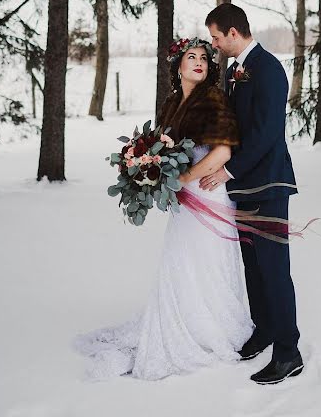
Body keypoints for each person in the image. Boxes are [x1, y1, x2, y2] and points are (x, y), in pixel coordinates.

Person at [74, 37, 253, 381]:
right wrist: (145, 169)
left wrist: (182, 178)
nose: (199, 61)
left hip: (207, 192)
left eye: (204, 57)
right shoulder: (172, 103)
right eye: (192, 56)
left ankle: (209, 329)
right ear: (178, 65)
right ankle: (181, 315)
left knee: (205, 260)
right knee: (181, 260)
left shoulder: (213, 99)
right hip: (183, 199)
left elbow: (222, 154)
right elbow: (162, 147)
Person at [201, 2, 304, 385]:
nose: (213, 44)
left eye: (215, 37)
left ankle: (288, 352)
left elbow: (266, 134)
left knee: (275, 270)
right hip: (242, 188)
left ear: (232, 32)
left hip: (269, 183)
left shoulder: (269, 68)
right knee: (253, 267)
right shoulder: (232, 71)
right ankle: (263, 330)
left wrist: (227, 169)